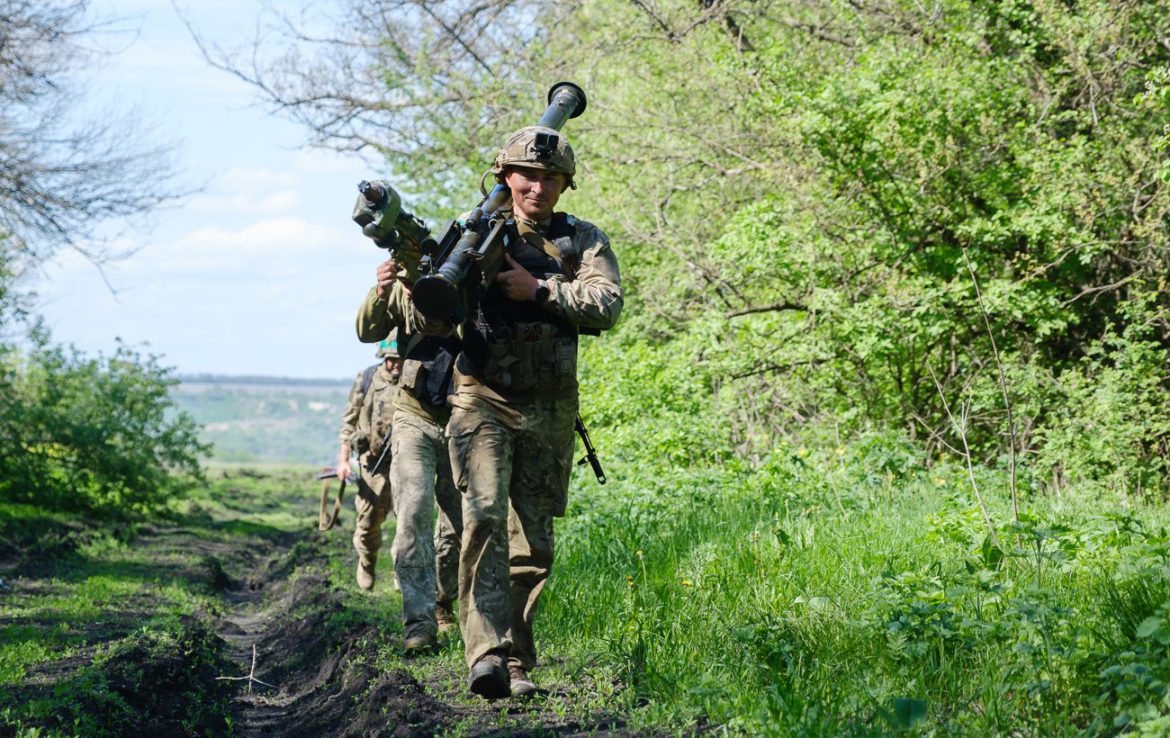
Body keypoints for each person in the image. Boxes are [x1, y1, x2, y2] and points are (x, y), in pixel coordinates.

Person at [415, 124, 623, 698]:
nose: (537, 186)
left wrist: (537, 290)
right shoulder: (474, 233)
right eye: (527, 174)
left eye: (550, 177)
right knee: (482, 517)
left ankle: (517, 660)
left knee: (534, 542)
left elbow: (607, 305)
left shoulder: (582, 240)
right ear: (505, 176)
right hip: (483, 396)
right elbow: (429, 315)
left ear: (564, 185)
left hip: (552, 406)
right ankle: (485, 653)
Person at [356, 263, 464, 654]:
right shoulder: (410, 287)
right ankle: (418, 624)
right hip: (414, 414)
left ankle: (443, 602)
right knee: (414, 513)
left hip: (465, 416)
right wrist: (383, 290)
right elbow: (367, 330)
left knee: (459, 524)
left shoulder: (476, 281)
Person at [337, 332, 403, 591]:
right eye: (391, 359)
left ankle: (402, 572)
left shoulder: (412, 380)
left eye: (400, 359)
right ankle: (367, 560)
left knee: (407, 522)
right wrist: (344, 462)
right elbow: (348, 422)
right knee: (367, 523)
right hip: (372, 463)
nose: (396, 364)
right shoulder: (367, 379)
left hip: (404, 462)